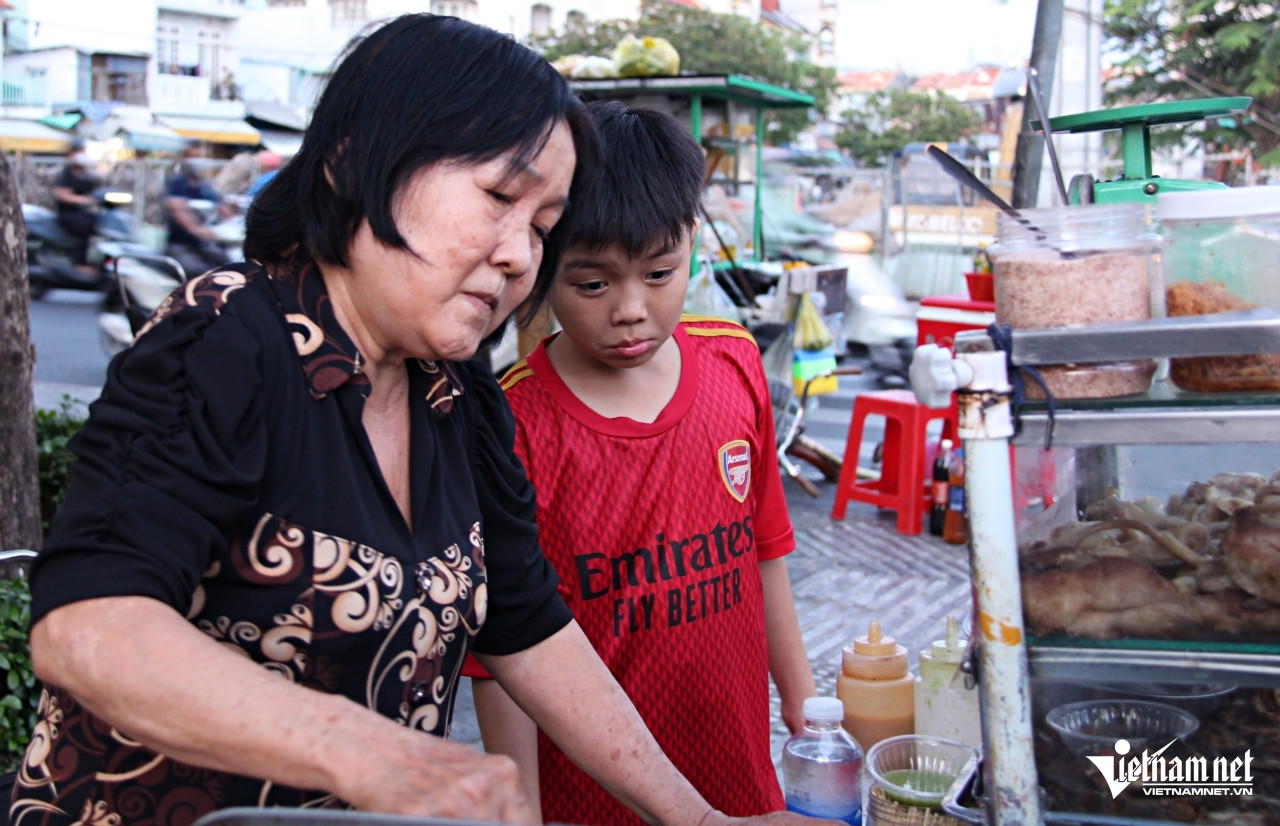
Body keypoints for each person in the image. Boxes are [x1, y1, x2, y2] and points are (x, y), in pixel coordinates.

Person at [9, 14, 836, 826]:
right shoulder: (230, 334)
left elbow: (526, 622)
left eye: (542, 228)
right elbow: (91, 626)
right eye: (499, 196)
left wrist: (694, 818)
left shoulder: (459, 394)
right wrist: (377, 755)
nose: (520, 254)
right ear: (353, 164)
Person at [466, 101, 816, 825]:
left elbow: (767, 550)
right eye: (592, 285)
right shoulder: (512, 424)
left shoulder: (734, 361)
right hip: (595, 795)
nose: (631, 309)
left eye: (660, 273)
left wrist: (806, 706)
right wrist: (523, 812)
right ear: (539, 262)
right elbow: (501, 661)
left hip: (740, 768)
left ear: (692, 241)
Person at [163, 140, 232, 278]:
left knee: (231, 267)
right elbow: (178, 209)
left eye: (200, 156)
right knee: (201, 274)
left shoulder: (204, 185)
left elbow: (223, 206)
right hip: (181, 245)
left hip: (204, 245)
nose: (197, 160)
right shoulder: (179, 183)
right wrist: (198, 230)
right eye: (193, 156)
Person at [50, 148, 100, 280]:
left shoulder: (87, 174)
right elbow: (61, 195)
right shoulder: (66, 175)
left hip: (85, 213)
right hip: (69, 214)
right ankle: (78, 264)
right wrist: (84, 200)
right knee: (83, 228)